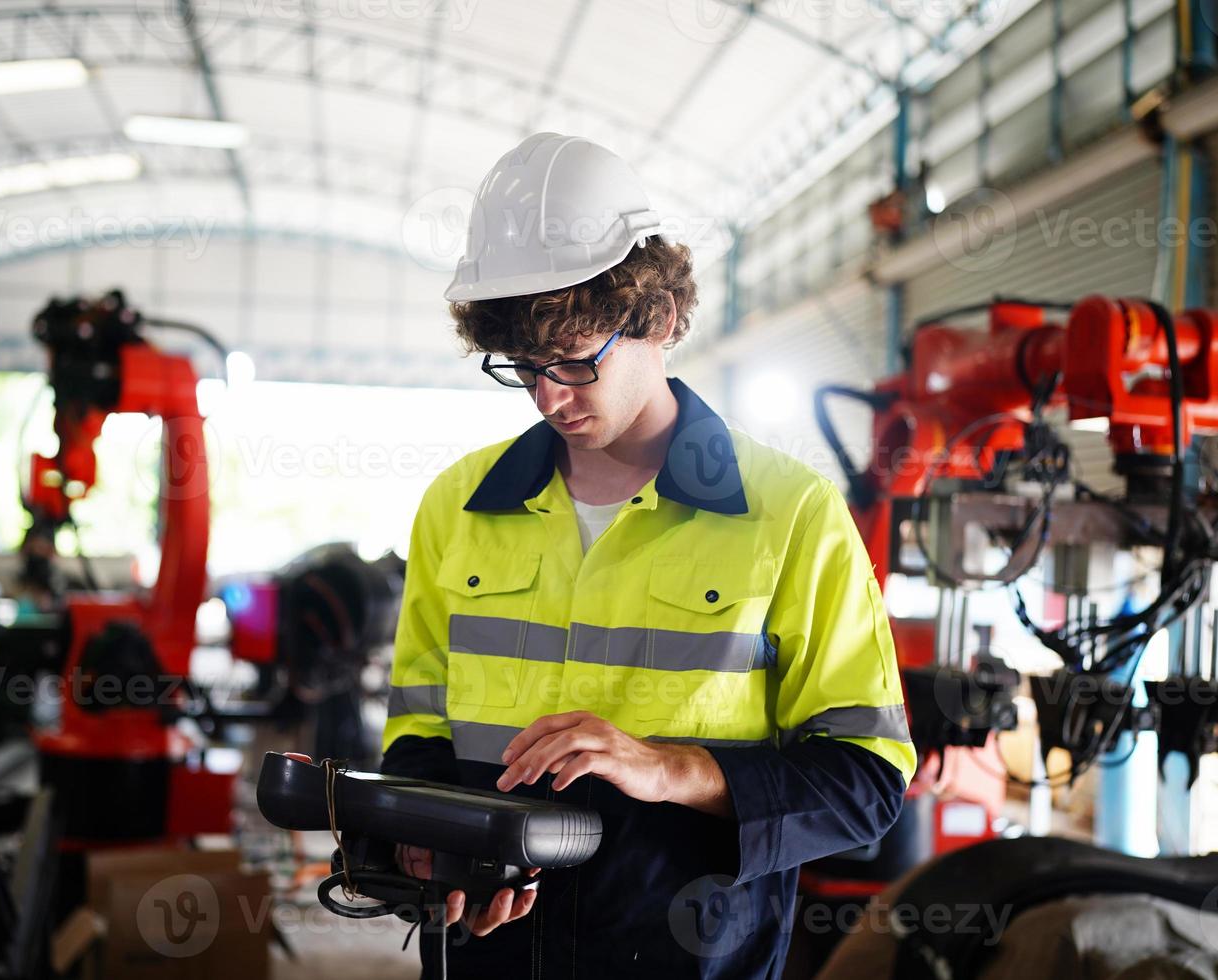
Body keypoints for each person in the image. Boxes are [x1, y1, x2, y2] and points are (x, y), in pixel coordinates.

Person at [379, 132, 916, 979]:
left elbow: (865, 783)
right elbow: (418, 732)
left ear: (658, 320)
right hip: (490, 959)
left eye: (573, 361)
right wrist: (431, 844)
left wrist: (670, 769)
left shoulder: (791, 516)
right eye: (522, 369)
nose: (549, 396)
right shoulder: (460, 506)